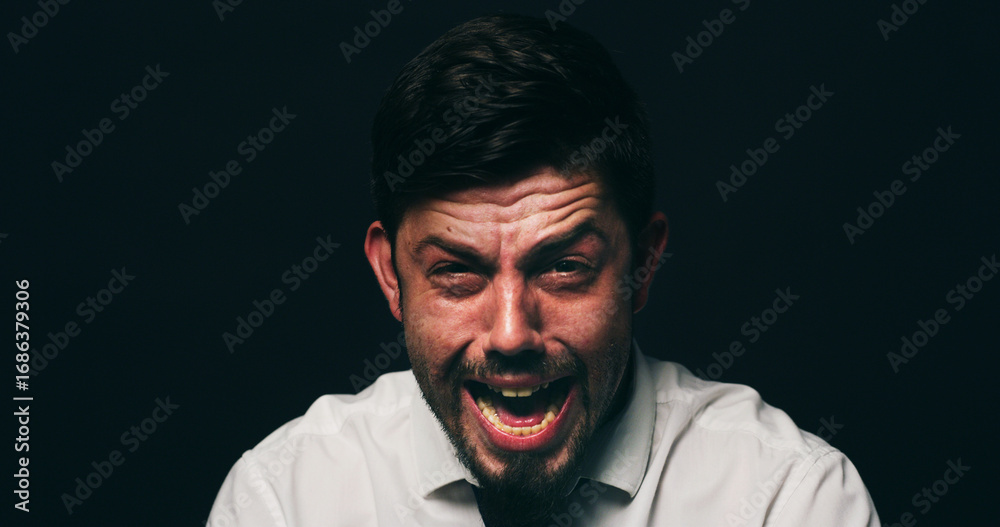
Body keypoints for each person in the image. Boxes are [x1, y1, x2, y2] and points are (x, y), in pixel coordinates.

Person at [207, 14, 880, 527]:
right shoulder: (284, 501)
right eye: (457, 271)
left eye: (563, 267)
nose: (510, 334)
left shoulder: (789, 501)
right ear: (391, 275)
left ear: (643, 263)